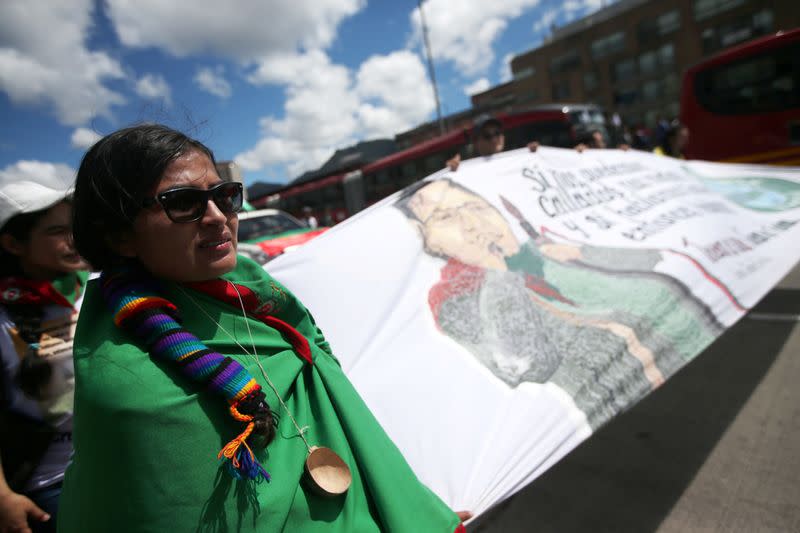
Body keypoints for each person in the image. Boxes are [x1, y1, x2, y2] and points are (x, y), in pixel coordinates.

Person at [58, 124, 468, 532]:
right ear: (120, 235)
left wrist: (410, 508)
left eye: (224, 196)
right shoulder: (126, 382)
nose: (218, 217)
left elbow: (325, 377)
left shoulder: (254, 288)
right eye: (183, 203)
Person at [0, 180, 89, 533]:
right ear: (13, 243)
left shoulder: (99, 289)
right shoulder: (5, 318)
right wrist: (3, 495)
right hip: (51, 487)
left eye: (74, 226)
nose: (73, 238)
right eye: (56, 231)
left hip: (120, 465)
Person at [446, 114, 538, 171]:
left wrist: (534, 156)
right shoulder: (470, 171)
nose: (494, 139)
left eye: (497, 133)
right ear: (476, 143)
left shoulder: (519, 160)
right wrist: (453, 172)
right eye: (487, 136)